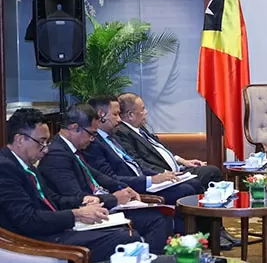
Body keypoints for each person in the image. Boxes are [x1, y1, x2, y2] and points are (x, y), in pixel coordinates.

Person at [0, 108, 178, 263]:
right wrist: (75, 214)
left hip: (54, 227)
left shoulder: (26, 164)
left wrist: (82, 203)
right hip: (37, 241)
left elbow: (51, 199)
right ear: (20, 139)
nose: (46, 149)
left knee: (125, 232)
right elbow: (28, 220)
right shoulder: (6, 168)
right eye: (41, 142)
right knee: (124, 240)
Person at [37, 104, 172, 253]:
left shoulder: (71, 149)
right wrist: (113, 199)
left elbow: (97, 175)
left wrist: (122, 188)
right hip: (89, 213)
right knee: (155, 220)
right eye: (91, 134)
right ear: (75, 128)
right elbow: (77, 197)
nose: (93, 139)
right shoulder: (56, 155)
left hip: (102, 204)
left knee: (160, 216)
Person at [84, 95, 202, 234]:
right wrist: (150, 180)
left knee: (194, 183)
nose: (119, 119)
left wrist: (159, 175)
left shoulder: (113, 137)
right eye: (115, 114)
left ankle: (203, 236)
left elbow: (134, 163)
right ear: (101, 115)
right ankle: (186, 239)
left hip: (144, 180)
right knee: (185, 191)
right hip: (134, 187)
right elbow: (111, 178)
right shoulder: (93, 144)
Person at [115, 93, 223, 189]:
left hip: (177, 170)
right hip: (160, 175)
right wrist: (164, 173)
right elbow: (138, 162)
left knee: (212, 171)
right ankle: (204, 209)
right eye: (143, 109)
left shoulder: (140, 128)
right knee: (194, 184)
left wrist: (184, 161)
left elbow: (159, 149)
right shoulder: (122, 133)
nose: (146, 112)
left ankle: (216, 207)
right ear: (130, 115)